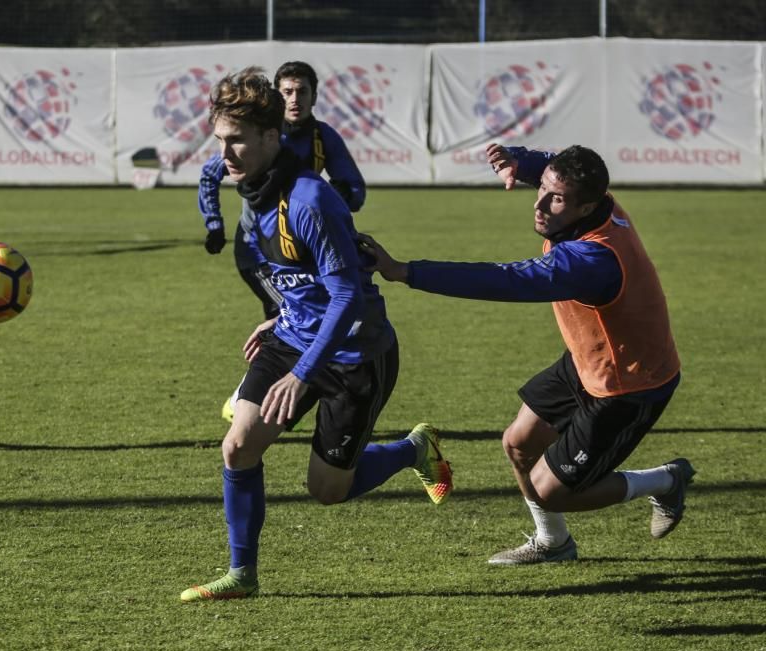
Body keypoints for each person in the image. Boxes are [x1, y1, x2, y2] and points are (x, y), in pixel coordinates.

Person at [179, 68, 452, 603]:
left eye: (237, 140)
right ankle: (242, 575)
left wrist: (301, 373)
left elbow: (348, 296)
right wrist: (280, 316)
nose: (225, 153)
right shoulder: (254, 191)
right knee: (237, 447)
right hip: (294, 332)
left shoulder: (308, 200)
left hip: (354, 351)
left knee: (327, 491)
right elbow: (298, 277)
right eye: (219, 140)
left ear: (269, 136)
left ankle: (413, 449)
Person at [360, 143, 693, 564]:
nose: (540, 203)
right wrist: (522, 161)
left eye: (555, 198)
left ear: (586, 205)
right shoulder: (598, 203)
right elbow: (557, 172)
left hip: (628, 384)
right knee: (518, 444)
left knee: (549, 490)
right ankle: (553, 543)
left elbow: (502, 280)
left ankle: (665, 481)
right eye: (543, 189)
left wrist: (406, 271)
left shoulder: (593, 258)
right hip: (588, 358)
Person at [199, 61, 366, 420]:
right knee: (291, 313)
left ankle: (290, 388)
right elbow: (210, 173)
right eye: (287, 91)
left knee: (307, 312)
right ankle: (252, 395)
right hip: (259, 252)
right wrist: (215, 223)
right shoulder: (252, 135)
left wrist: (329, 201)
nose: (295, 99)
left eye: (302, 91)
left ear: (314, 96)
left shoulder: (322, 139)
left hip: (301, 251)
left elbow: (354, 189)